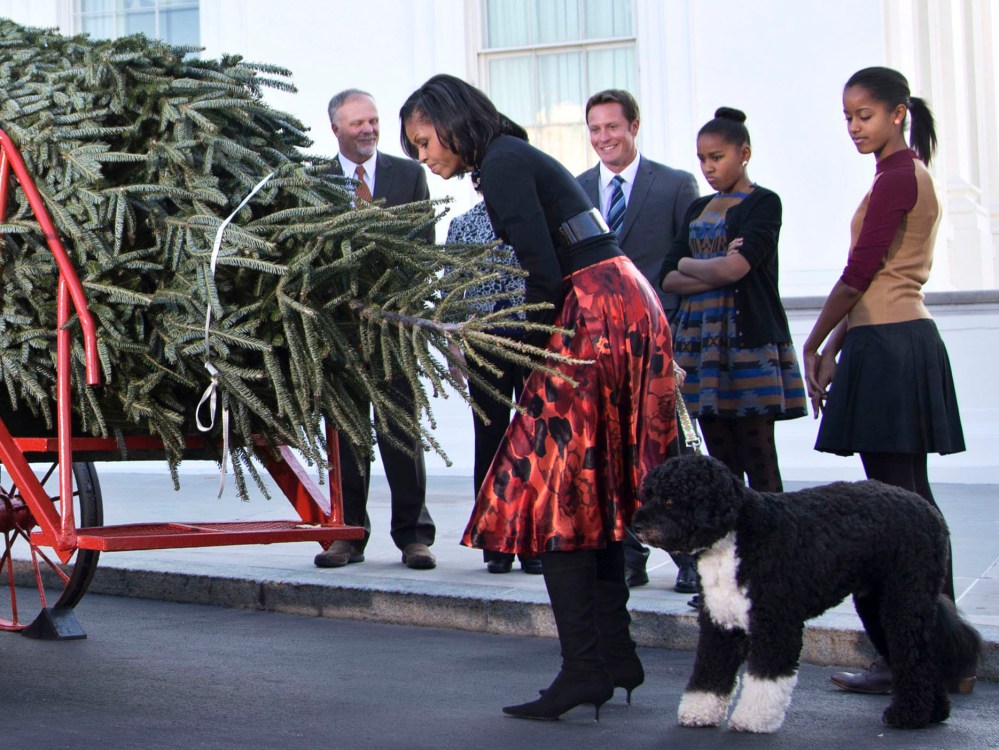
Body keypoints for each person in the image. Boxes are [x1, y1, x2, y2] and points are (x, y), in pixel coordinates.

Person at [401, 74, 676, 721]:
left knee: (558, 493)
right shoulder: (511, 157)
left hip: (593, 315)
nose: (422, 157)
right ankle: (612, 656)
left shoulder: (500, 165)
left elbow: (540, 275)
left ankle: (586, 666)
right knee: (595, 487)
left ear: (451, 122)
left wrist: (515, 355)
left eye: (423, 142)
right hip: (622, 304)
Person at [802, 67, 966, 695]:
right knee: (910, 505)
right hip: (888, 340)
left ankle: (922, 658)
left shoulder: (900, 175)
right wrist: (837, 343)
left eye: (864, 115)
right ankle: (936, 657)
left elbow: (861, 269)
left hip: (894, 347)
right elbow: (870, 283)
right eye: (847, 116)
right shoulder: (899, 173)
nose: (853, 127)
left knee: (902, 510)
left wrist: (816, 340)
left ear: (898, 112)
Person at [577, 88, 700, 593]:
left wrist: (680, 348)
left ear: (634, 126)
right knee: (614, 455)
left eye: (612, 127)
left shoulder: (674, 186)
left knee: (668, 455)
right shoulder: (577, 188)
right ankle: (629, 555)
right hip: (601, 349)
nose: (603, 137)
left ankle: (688, 553)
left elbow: (686, 268)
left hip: (660, 345)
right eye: (595, 129)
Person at [314, 88, 437, 571]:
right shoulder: (315, 182)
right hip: (339, 332)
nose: (368, 129)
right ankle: (348, 535)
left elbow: (424, 248)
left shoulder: (408, 175)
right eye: (357, 123)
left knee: (400, 430)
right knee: (346, 434)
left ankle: (414, 536)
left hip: (392, 327)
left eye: (373, 121)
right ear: (336, 130)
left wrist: (394, 302)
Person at [659, 107, 806, 509]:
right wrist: (704, 265)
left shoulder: (763, 203)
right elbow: (669, 275)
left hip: (746, 342)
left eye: (717, 157)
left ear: (745, 153)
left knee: (759, 457)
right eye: (702, 159)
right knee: (720, 459)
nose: (708, 167)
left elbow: (738, 269)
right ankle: (732, 549)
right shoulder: (696, 208)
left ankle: (776, 547)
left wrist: (696, 265)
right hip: (699, 341)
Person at [444, 203, 542, 575]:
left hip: (534, 338)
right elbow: (452, 285)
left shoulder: (534, 214)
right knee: (490, 440)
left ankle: (534, 540)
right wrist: (454, 346)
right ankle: (497, 540)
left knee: (535, 441)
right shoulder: (463, 224)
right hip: (483, 341)